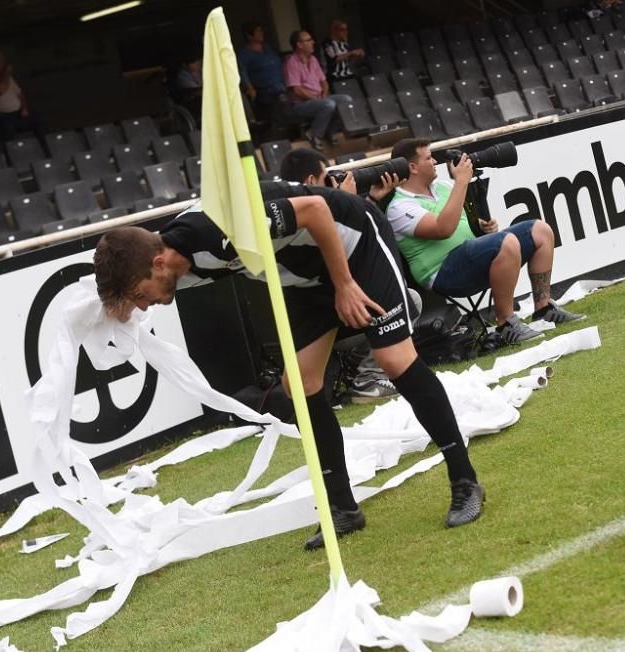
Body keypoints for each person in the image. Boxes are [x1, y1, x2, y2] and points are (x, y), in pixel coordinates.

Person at [93, 186, 485, 550]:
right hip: (304, 279)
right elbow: (108, 299)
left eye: (140, 295)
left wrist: (345, 283)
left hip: (353, 249)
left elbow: (315, 210)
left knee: (393, 359)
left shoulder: (215, 232)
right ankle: (343, 508)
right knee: (300, 383)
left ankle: (464, 479)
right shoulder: (171, 268)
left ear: (158, 263)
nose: (144, 307)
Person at [386, 138, 584, 346]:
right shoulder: (399, 207)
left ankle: (543, 309)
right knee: (506, 242)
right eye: (428, 158)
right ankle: (506, 324)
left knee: (540, 231)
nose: (434, 161)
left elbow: (460, 224)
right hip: (444, 273)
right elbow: (442, 229)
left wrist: (481, 227)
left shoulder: (443, 187)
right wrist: (461, 182)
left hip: (471, 258)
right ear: (412, 167)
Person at [278, 147, 407, 401]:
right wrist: (345, 204)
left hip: (320, 320)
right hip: (327, 318)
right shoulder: (307, 215)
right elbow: (347, 261)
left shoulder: (286, 211)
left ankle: (363, 363)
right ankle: (369, 378)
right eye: (328, 178)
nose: (332, 183)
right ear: (312, 181)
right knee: (407, 300)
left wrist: (367, 202)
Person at [283, 30, 351, 151]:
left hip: (320, 98)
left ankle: (330, 131)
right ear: (299, 45)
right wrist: (317, 99)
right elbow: (297, 90)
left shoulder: (313, 59)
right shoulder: (291, 62)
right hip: (301, 104)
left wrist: (324, 94)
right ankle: (315, 135)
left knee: (346, 100)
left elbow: (324, 82)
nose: (313, 42)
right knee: (328, 104)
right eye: (308, 40)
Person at [0, 48, 43, 145]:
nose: (2, 61)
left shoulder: (5, 76)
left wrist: (24, 108)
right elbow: (0, 90)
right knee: (7, 127)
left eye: (2, 58)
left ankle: (44, 151)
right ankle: (9, 154)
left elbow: (20, 94)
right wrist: (6, 74)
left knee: (37, 120)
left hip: (17, 113)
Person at [238, 22, 287, 119]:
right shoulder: (245, 54)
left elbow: (278, 62)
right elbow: (243, 72)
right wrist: (250, 88)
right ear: (249, 35)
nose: (261, 33)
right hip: (264, 91)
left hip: (281, 86)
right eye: (258, 31)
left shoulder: (267, 48)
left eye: (261, 30)